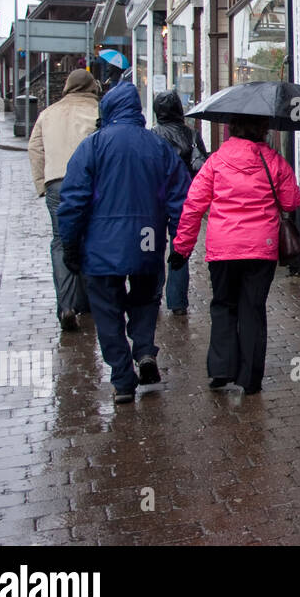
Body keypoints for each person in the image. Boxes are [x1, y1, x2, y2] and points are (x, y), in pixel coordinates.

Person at [58, 81, 192, 404]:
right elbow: (180, 197)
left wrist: (70, 246)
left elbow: (73, 201)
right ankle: (144, 350)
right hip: (147, 241)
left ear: (108, 110)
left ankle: (121, 380)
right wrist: (180, 242)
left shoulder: (92, 146)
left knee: (107, 311)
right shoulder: (158, 146)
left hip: (101, 247)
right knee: (146, 298)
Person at [171, 115, 300, 395]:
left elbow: (194, 206)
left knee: (223, 305)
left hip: (222, 250)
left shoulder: (216, 161)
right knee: (252, 310)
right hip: (260, 249)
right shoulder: (273, 160)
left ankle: (221, 369)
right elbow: (292, 201)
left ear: (232, 128)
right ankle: (250, 378)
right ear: (262, 129)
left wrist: (182, 248)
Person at [28, 69, 101, 332]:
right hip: (90, 184)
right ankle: (89, 301)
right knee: (90, 239)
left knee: (61, 242)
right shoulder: (98, 112)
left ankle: (67, 305)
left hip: (57, 183)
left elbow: (34, 148)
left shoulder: (48, 113)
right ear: (92, 87)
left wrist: (42, 182)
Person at [151, 90, 208, 316]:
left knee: (154, 248)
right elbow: (201, 167)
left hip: (155, 197)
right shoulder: (191, 135)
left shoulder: (152, 135)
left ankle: (153, 295)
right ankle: (177, 302)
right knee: (180, 247)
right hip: (183, 197)